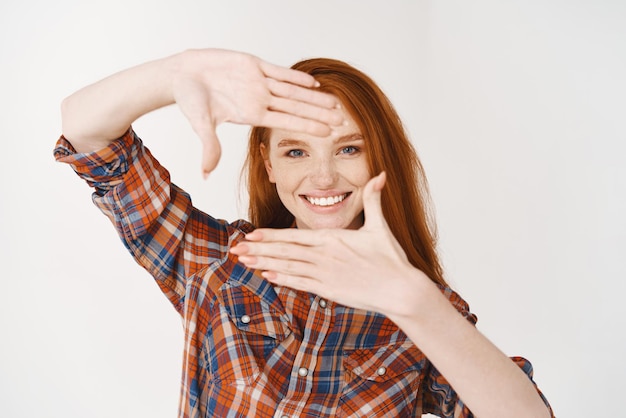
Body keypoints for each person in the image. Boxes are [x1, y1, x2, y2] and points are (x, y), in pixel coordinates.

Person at [54, 48, 553, 418]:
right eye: (296, 152)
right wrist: (177, 73)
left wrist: (416, 304)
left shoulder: (423, 308)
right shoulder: (220, 263)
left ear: (380, 157)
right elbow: (86, 133)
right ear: (268, 165)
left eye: (348, 149)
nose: (323, 178)